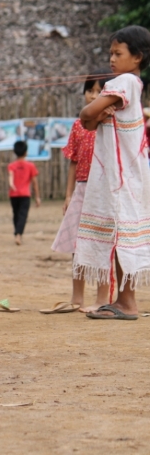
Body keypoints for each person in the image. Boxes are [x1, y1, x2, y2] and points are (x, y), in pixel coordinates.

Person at [77, 26, 150, 320]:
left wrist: (93, 111)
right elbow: (90, 125)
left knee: (123, 236)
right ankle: (123, 299)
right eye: (110, 53)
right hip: (124, 177)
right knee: (122, 236)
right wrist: (96, 114)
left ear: (137, 57)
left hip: (124, 179)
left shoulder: (125, 81)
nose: (111, 59)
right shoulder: (128, 84)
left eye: (118, 53)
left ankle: (128, 303)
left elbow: (84, 114)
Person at [49, 71, 112, 313]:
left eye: (99, 91)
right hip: (82, 188)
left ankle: (103, 296)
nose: (94, 96)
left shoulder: (111, 123)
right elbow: (73, 161)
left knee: (102, 242)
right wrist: (68, 194)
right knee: (77, 245)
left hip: (104, 191)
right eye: (90, 91)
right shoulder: (78, 125)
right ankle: (77, 298)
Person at [8, 141, 41, 245]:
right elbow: (34, 183)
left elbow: (10, 177)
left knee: (16, 214)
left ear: (14, 152)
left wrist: (11, 184)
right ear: (26, 152)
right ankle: (18, 235)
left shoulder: (11, 166)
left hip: (13, 195)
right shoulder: (30, 166)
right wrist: (37, 197)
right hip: (25, 195)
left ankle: (17, 233)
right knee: (23, 215)